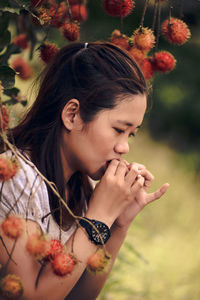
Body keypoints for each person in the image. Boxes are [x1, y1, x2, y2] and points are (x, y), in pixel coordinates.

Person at [0, 41, 169, 300]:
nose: (124, 147)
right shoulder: (14, 176)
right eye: (118, 129)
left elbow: (78, 296)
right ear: (72, 115)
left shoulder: (80, 188)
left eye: (131, 135)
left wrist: (118, 224)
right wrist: (97, 220)